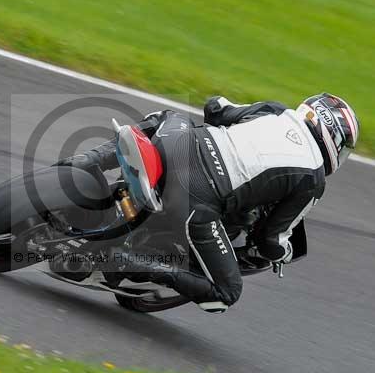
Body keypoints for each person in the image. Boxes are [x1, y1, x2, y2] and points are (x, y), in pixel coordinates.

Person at [60, 93, 359, 313]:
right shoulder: (313, 179)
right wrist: (284, 252)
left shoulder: (276, 111)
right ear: (334, 140)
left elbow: (216, 107)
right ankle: (126, 260)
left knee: (167, 116)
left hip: (178, 144)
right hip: (196, 199)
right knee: (226, 293)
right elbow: (270, 239)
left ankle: (85, 162)